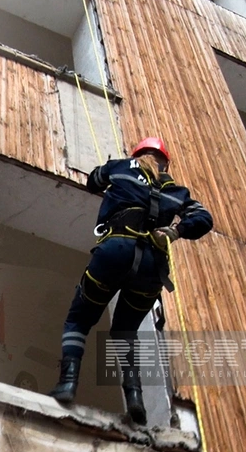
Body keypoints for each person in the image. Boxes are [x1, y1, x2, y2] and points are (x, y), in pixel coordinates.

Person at [47, 137, 213, 425]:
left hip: (115, 251)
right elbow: (204, 218)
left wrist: (110, 172)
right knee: (125, 333)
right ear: (165, 165)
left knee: (78, 320)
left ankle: (67, 384)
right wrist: (175, 231)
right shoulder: (176, 191)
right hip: (152, 266)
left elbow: (94, 181)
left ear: (137, 154)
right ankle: (135, 399)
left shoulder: (121, 167)